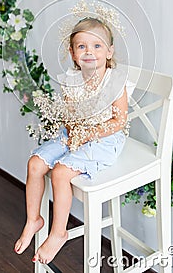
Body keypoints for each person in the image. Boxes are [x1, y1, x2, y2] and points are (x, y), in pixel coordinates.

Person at [14, 16, 130, 264]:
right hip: (75, 133)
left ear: (109, 52)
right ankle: (34, 219)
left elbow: (119, 122)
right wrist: (73, 132)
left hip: (104, 138)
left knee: (60, 173)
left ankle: (58, 233)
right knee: (35, 164)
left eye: (97, 46)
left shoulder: (114, 82)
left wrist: (88, 134)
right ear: (73, 53)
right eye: (82, 46)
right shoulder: (71, 80)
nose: (90, 52)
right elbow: (69, 115)